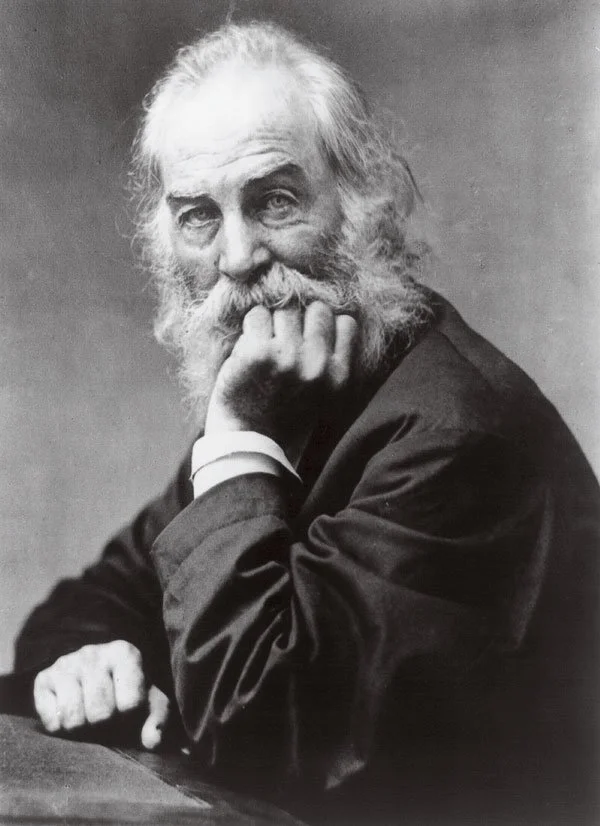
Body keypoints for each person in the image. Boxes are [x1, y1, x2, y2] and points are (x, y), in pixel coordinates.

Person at [10, 20, 600, 825]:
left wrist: (236, 435)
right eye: (198, 216)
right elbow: (96, 599)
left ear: (362, 205)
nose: (237, 257)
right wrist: (92, 662)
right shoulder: (293, 400)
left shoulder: (457, 441)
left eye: (275, 201)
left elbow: (264, 733)